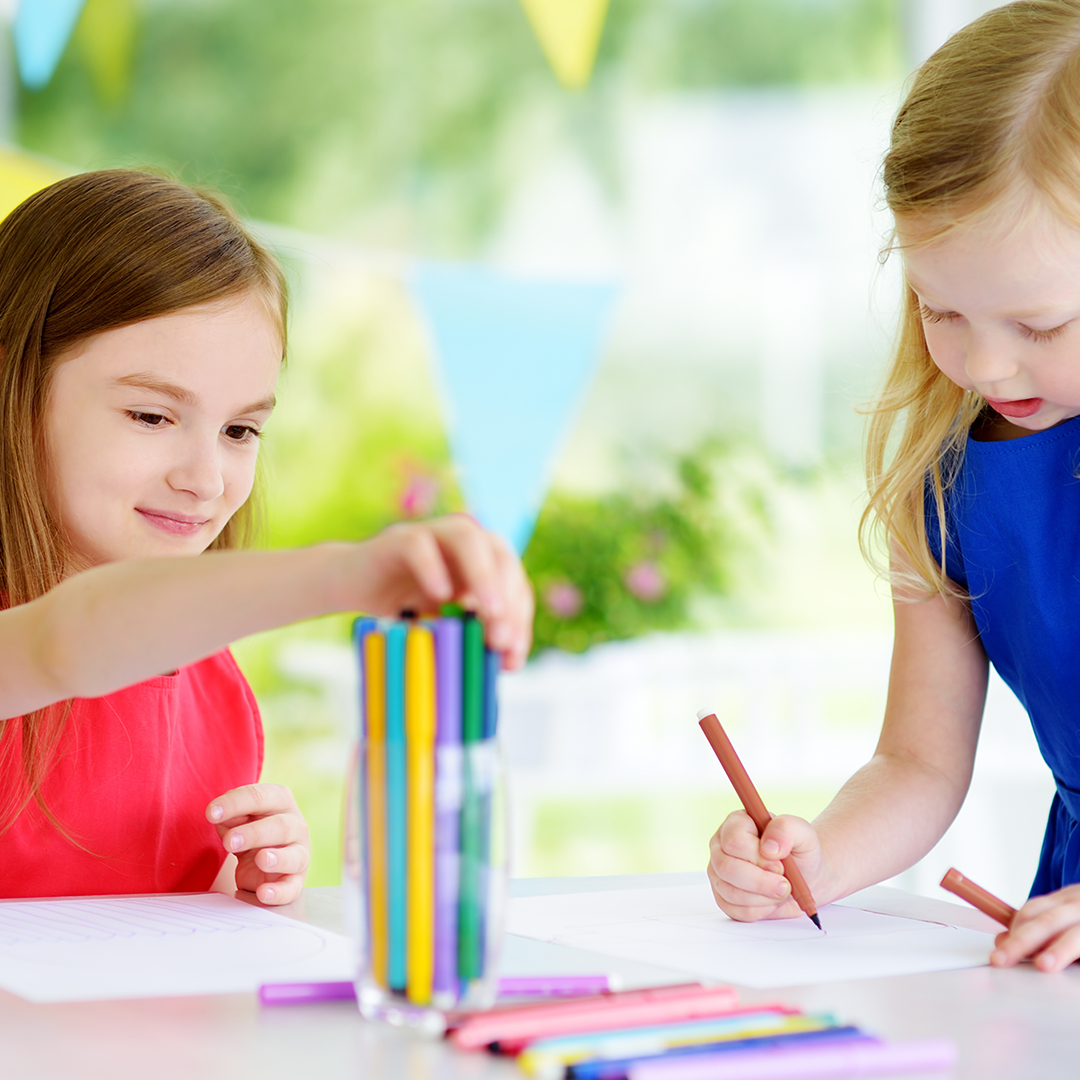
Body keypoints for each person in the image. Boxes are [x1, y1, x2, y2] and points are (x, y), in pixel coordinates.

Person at [0, 169, 533, 907]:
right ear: (14, 391)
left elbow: (152, 918)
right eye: (152, 417)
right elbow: (66, 640)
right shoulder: (25, 649)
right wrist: (346, 575)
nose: (206, 476)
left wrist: (245, 873)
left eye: (240, 430)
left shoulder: (213, 688)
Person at [708, 0, 1080, 973]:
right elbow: (917, 761)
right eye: (942, 309)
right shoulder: (953, 474)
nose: (988, 367)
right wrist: (819, 860)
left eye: (1040, 326)